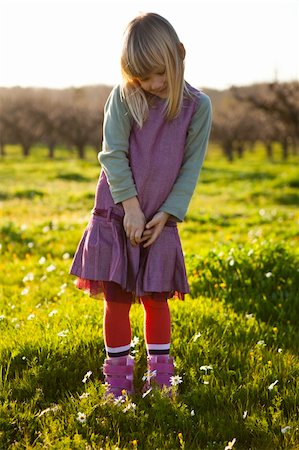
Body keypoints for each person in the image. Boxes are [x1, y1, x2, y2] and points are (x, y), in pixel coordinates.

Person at [70, 12, 212, 397]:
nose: (154, 85)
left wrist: (165, 214)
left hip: (159, 221)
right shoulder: (124, 96)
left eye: (161, 74)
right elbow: (112, 155)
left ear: (180, 54)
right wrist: (130, 208)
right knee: (116, 301)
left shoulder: (198, 108)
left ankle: (161, 380)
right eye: (144, 77)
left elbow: (190, 169)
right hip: (119, 213)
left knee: (155, 299)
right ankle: (117, 383)